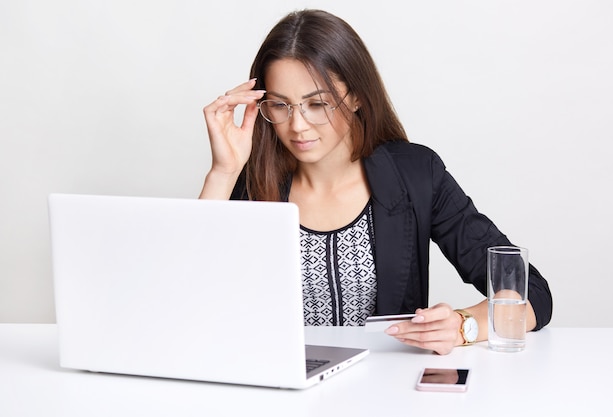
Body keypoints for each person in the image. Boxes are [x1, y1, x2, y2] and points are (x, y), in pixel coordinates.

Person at [199, 9, 552, 355]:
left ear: (354, 96)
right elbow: (193, 298)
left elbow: (532, 293)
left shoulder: (416, 175)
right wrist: (223, 172)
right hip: (284, 387)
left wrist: (464, 326)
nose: (297, 125)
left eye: (317, 104)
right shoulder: (252, 187)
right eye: (280, 105)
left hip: (385, 393)